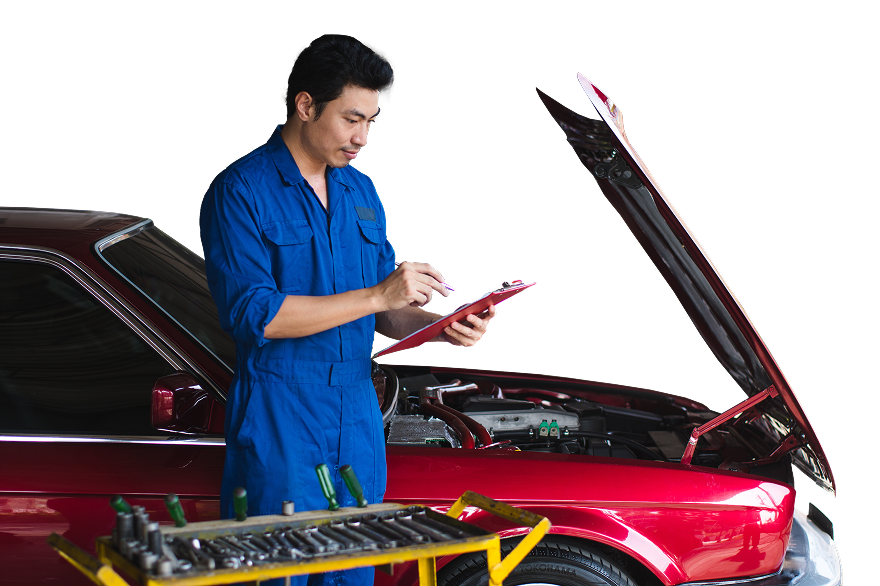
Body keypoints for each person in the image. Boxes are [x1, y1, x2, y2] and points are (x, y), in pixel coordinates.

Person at [199, 34, 495, 586]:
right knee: (279, 572)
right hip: (280, 408)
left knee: (354, 570)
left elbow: (385, 314)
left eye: (371, 123)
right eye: (351, 119)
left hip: (357, 411)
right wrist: (381, 296)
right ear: (306, 104)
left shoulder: (361, 192)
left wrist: (441, 327)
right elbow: (255, 315)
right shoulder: (241, 190)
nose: (362, 138)